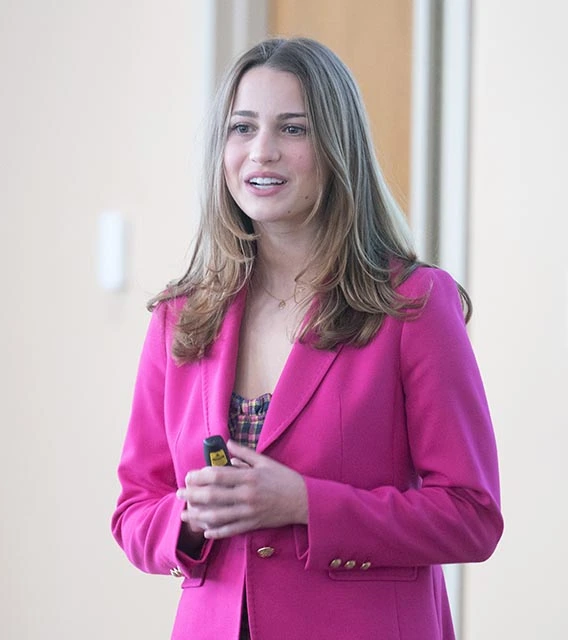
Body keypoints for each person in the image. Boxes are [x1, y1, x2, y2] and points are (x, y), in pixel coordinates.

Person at [111, 37, 503, 640]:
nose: (261, 151)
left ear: (336, 148)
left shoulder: (414, 305)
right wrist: (188, 517)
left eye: (293, 129)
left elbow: (472, 518)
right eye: (242, 128)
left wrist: (303, 503)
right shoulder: (181, 316)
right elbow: (136, 509)